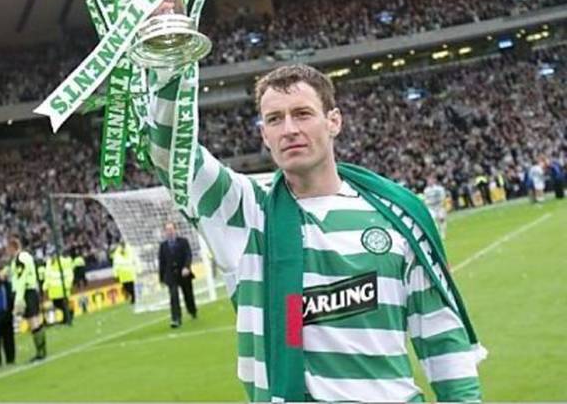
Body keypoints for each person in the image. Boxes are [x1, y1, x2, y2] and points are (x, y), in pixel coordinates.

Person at [147, 64, 483, 401]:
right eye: (275, 119)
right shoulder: (245, 213)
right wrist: (168, 61)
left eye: (302, 114)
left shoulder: (396, 213)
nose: (289, 129)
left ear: (333, 121)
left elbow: (440, 333)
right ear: (264, 135)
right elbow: (173, 155)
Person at [7, 236, 47, 362]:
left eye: (8, 249)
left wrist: (19, 299)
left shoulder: (20, 259)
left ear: (13, 248)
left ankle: (40, 352)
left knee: (33, 321)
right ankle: (42, 350)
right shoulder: (27, 257)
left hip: (26, 292)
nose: (7, 252)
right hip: (31, 291)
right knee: (35, 321)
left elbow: (21, 279)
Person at [158, 223, 197, 328]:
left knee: (188, 294)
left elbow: (188, 255)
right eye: (167, 230)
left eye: (171, 229)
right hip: (171, 275)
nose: (169, 232)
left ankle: (192, 310)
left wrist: (186, 267)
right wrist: (161, 278)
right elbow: (162, 262)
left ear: (175, 230)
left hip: (183, 273)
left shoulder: (183, 242)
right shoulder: (163, 246)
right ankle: (176, 319)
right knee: (173, 296)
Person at [43, 250, 73, 325]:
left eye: (53, 255)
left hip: (62, 288)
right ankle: (67, 316)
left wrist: (68, 285)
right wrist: (45, 286)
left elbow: (69, 274)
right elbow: (47, 276)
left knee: (64, 304)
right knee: (58, 305)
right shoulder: (49, 263)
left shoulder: (63, 262)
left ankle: (67, 318)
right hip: (54, 290)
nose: (51, 257)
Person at [423, 174, 448, 239]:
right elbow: (425, 199)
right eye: (428, 180)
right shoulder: (426, 190)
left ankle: (443, 233)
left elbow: (443, 197)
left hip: (439, 206)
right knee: (433, 220)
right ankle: (437, 233)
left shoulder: (439, 189)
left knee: (441, 219)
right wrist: (427, 204)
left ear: (434, 180)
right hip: (431, 207)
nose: (429, 181)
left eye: (431, 180)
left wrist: (442, 204)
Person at [112, 241, 137, 305]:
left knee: (131, 286)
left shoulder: (129, 250)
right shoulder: (117, 252)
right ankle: (132, 296)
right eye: (121, 244)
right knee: (126, 287)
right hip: (122, 274)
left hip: (129, 272)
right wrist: (115, 274)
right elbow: (115, 264)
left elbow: (134, 259)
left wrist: (136, 268)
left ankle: (133, 298)